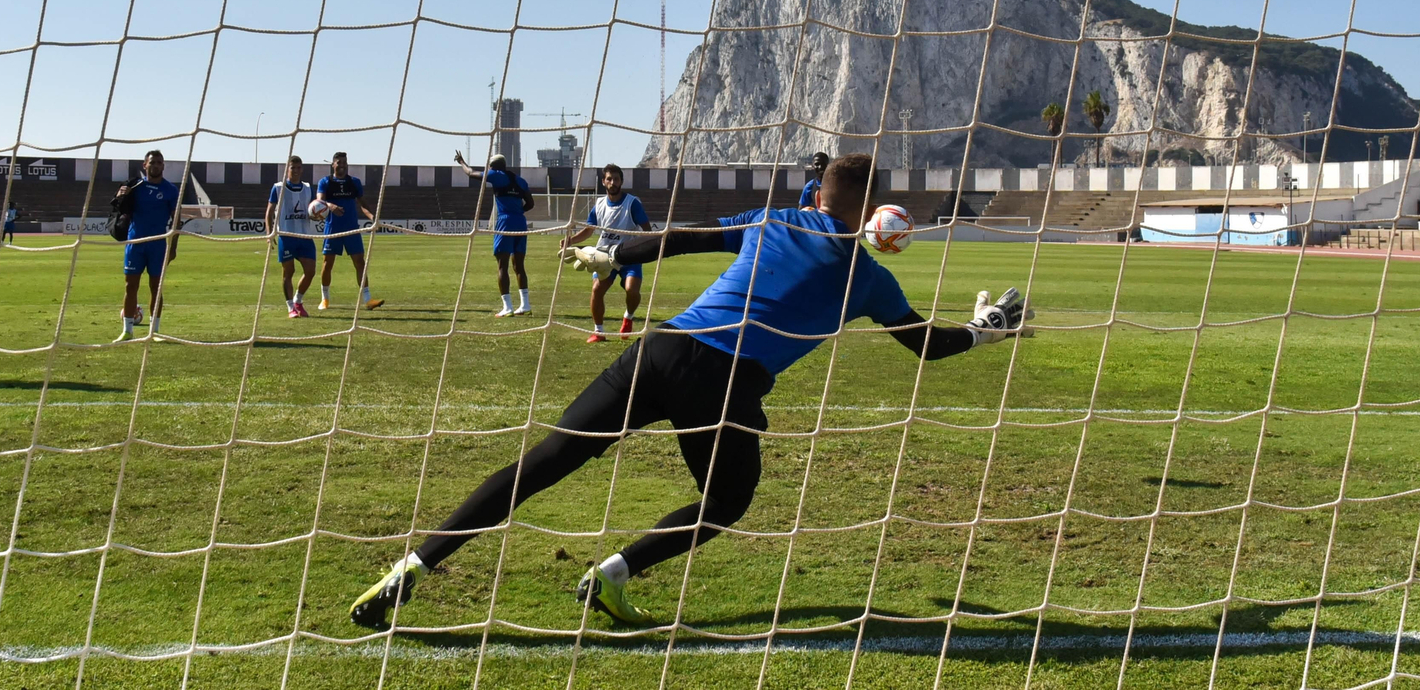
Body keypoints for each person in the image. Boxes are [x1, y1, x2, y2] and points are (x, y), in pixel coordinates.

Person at [349, 153, 1032, 629]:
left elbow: (679, 238)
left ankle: (412, 564)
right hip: (724, 383)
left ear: (819, 196)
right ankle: (614, 574)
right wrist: (989, 329)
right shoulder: (872, 279)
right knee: (728, 500)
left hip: (661, 349)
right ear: (875, 209)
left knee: (543, 463)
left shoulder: (775, 221)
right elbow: (927, 347)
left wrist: (612, 255)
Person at [559, 164, 653, 341]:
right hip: (603, 256)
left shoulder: (632, 203)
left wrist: (645, 248)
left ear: (621, 181)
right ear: (604, 182)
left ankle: (628, 318)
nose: (613, 182)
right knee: (597, 290)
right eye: (609, 179)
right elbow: (589, 230)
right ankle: (599, 331)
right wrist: (571, 241)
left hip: (629, 255)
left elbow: (646, 229)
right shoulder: (600, 203)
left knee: (632, 290)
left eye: (616, 179)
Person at [454, 150, 535, 317]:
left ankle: (507, 307)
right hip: (520, 222)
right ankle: (525, 305)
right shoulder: (520, 180)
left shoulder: (496, 175)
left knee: (502, 265)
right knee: (519, 265)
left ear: (493, 166)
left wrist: (461, 161)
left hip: (505, 222)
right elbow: (530, 203)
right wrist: (518, 211)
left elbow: (470, 173)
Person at [114, 150, 184, 342]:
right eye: (152, 162)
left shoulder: (170, 190)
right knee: (131, 286)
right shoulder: (135, 186)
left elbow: (176, 220)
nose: (155, 165)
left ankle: (155, 332)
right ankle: (127, 331)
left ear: (163, 166)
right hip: (135, 243)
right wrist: (121, 195)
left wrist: (173, 246)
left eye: (159, 163)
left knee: (156, 287)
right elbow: (119, 208)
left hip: (158, 245)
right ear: (145, 165)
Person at [316, 152, 382, 311]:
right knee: (327, 263)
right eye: (339, 162)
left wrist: (373, 217)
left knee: (360, 263)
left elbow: (363, 204)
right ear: (333, 164)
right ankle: (325, 299)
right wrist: (330, 206)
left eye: (345, 162)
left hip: (352, 229)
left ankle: (368, 299)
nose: (342, 165)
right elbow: (319, 201)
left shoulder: (354, 182)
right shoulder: (325, 182)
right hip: (333, 229)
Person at [265, 155, 317, 318]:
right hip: (286, 236)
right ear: (287, 169)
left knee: (310, 271)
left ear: (302, 169)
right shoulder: (278, 188)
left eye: (298, 167)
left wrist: (318, 214)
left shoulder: (308, 188)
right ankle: (290, 308)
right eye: (292, 167)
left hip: (305, 236)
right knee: (289, 272)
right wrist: (269, 232)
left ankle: (298, 301)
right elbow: (268, 212)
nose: (296, 170)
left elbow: (313, 209)